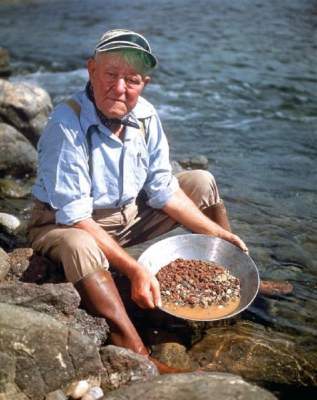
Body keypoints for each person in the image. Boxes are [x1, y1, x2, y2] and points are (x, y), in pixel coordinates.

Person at [28, 29, 290, 373]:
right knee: (81, 245)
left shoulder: (147, 116)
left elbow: (164, 191)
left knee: (200, 181)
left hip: (127, 216)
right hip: (63, 223)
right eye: (110, 75)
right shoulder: (66, 123)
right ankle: (137, 352)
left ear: (145, 83)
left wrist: (218, 235)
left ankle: (236, 277)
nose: (120, 88)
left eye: (132, 80)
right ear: (91, 70)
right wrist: (136, 270)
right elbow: (78, 217)